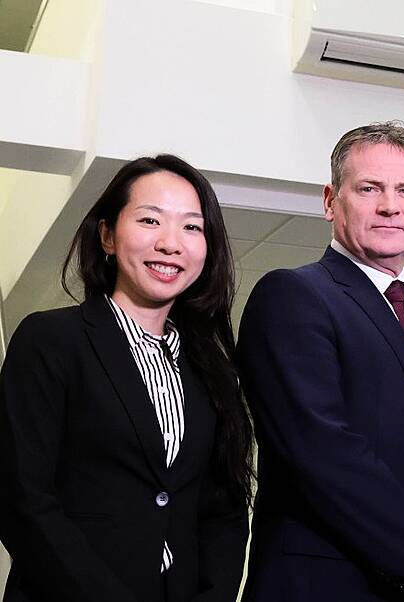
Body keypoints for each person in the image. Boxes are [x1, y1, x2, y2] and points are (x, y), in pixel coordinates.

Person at [237, 121, 404, 602]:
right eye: (369, 188)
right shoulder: (293, 296)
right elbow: (322, 454)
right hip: (328, 586)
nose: (389, 205)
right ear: (329, 200)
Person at [0, 155, 254, 602]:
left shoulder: (213, 371)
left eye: (192, 228)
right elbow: (20, 496)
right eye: (150, 220)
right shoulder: (52, 340)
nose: (171, 243)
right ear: (107, 236)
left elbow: (223, 512)